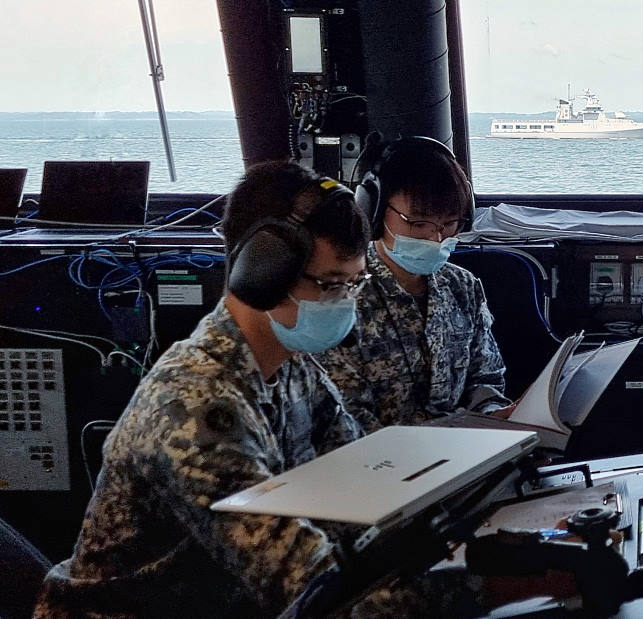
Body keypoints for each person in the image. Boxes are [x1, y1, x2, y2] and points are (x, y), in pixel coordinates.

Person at [33, 161, 378, 617]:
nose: (347, 303)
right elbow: (302, 581)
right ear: (263, 272)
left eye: (355, 284)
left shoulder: (293, 371)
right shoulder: (193, 402)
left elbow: (362, 481)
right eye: (332, 285)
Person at [317, 134, 512, 432]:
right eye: (419, 223)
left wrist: (494, 416)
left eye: (449, 224)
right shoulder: (341, 293)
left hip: (466, 453)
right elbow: (344, 417)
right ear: (375, 210)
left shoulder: (463, 287)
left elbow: (485, 379)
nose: (436, 238)